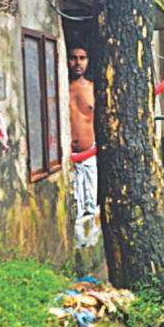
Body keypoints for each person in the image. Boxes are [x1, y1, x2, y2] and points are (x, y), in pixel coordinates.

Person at [68, 45, 99, 247]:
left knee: (91, 204)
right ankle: (77, 248)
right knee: (75, 208)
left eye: (82, 58)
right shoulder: (59, 87)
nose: (78, 62)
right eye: (73, 58)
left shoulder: (93, 88)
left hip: (89, 153)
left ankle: (92, 245)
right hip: (67, 157)